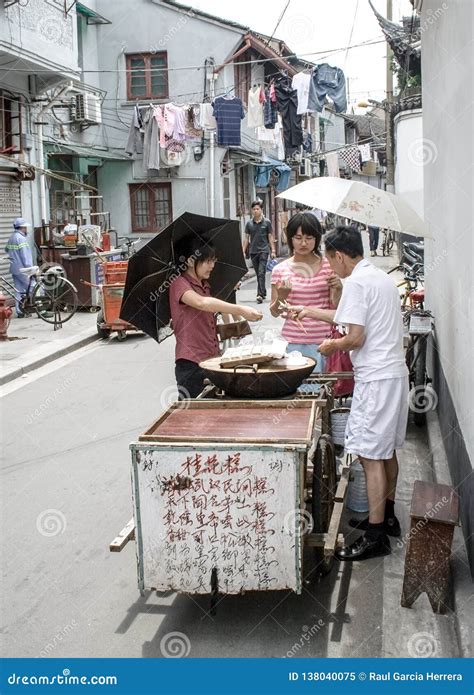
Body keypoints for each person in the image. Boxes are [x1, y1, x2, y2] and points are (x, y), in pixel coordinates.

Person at [288, 226, 408, 561]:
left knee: (370, 456)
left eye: (330, 260)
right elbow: (353, 318)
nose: (331, 267)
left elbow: (355, 336)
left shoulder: (355, 282)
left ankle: (374, 536)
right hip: (395, 376)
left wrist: (330, 345)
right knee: (387, 452)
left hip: (376, 379)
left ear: (338, 256)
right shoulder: (380, 278)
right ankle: (386, 517)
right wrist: (310, 311)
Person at [169, 240, 262, 398]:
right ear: (191, 261)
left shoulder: (205, 285)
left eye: (214, 261)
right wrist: (240, 309)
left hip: (212, 358)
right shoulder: (179, 283)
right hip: (191, 363)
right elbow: (202, 303)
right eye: (208, 261)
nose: (212, 265)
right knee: (191, 415)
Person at [270, 212, 341, 372]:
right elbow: (275, 312)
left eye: (309, 238)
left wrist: (338, 288)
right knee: (299, 394)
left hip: (325, 342)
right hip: (293, 342)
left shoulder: (329, 266)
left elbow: (337, 308)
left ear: (317, 238)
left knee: (324, 392)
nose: (303, 243)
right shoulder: (280, 270)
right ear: (290, 239)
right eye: (298, 237)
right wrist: (281, 296)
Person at [243, 201, 276, 304]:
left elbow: (270, 237)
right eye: (254, 209)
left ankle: (260, 294)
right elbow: (246, 239)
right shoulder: (249, 224)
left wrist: (273, 250)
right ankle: (263, 291)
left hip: (264, 250)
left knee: (261, 272)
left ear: (261, 210)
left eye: (257, 209)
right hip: (253, 251)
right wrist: (243, 251)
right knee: (258, 274)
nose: (255, 211)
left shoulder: (267, 222)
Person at [5, 218, 33, 317]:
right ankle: (40, 310)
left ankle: (20, 311)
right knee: (33, 287)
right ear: (22, 228)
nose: (26, 230)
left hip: (14, 269)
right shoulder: (21, 239)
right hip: (23, 269)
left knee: (18, 290)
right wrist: (30, 269)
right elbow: (25, 257)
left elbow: (6, 249)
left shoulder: (12, 237)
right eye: (25, 227)